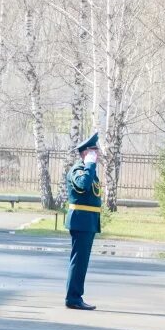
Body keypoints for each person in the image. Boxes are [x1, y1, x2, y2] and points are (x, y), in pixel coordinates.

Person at [65, 133, 102, 310]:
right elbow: (83, 184)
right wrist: (89, 164)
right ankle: (73, 298)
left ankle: (75, 296)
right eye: (94, 150)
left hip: (87, 222)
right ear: (86, 153)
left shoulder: (88, 170)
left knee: (82, 262)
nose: (98, 153)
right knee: (78, 262)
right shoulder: (79, 170)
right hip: (81, 222)